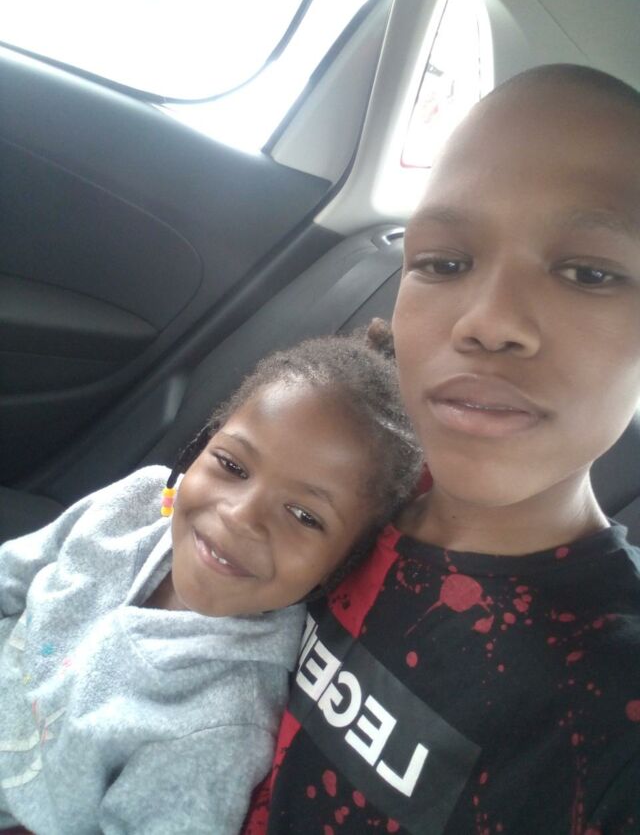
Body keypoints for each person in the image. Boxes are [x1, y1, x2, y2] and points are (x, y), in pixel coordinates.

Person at [245, 65, 640, 835]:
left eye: (588, 273)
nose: (489, 322)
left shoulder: (610, 698)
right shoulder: (352, 477)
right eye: (444, 263)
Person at [0, 333, 423, 835]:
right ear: (204, 443)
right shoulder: (135, 501)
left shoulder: (219, 724)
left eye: (304, 515)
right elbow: (14, 575)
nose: (240, 516)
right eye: (232, 465)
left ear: (340, 565)